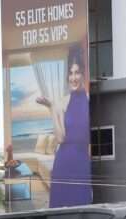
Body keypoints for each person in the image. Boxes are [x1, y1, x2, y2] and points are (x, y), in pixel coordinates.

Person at [37, 44, 92, 208]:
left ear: (83, 74)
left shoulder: (90, 100)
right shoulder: (63, 102)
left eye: (77, 73)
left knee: (83, 210)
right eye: (70, 73)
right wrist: (52, 107)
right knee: (61, 214)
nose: (73, 78)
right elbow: (60, 138)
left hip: (82, 163)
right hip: (63, 164)